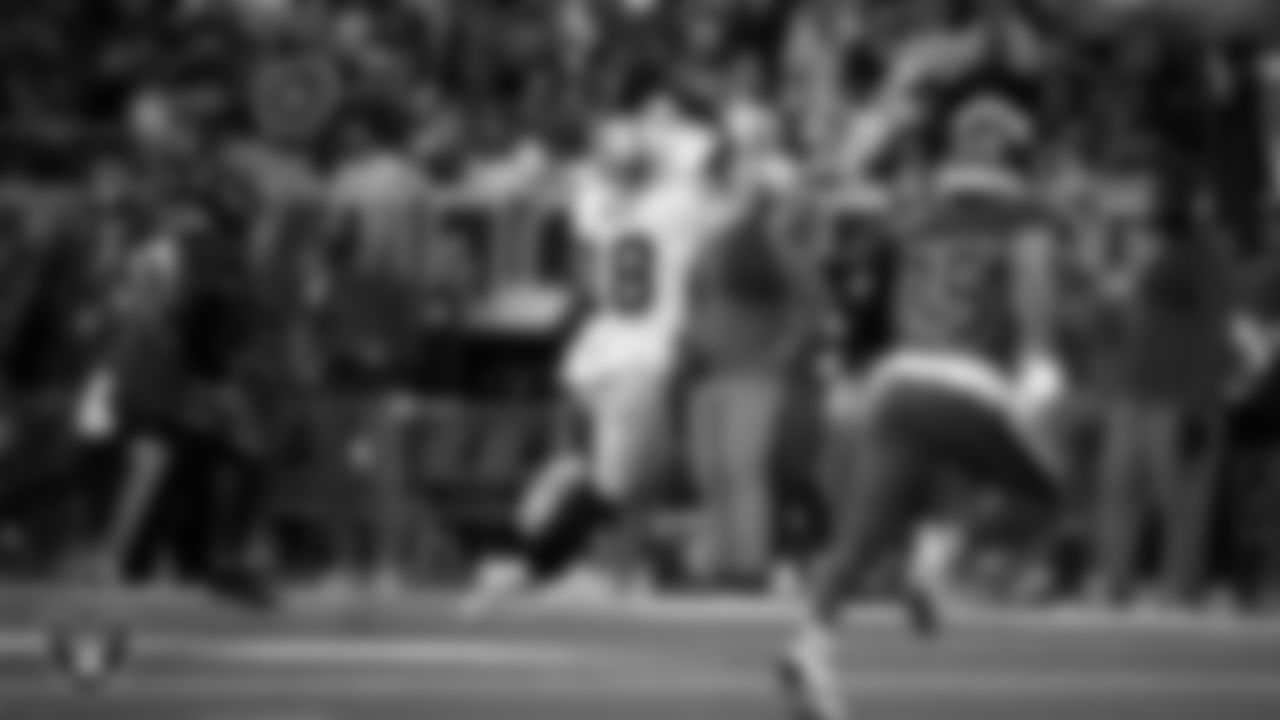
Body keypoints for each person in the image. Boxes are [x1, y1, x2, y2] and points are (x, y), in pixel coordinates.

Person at [777, 94, 1068, 720]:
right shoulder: (1025, 217)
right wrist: (1042, 361)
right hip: (969, 381)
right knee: (1043, 494)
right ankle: (940, 557)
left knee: (861, 534)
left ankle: (811, 646)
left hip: (899, 382)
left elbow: (858, 270)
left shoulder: (918, 216)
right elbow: (1033, 289)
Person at [460, 94, 730, 614]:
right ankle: (525, 563)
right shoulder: (680, 203)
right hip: (639, 356)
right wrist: (666, 136)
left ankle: (601, 566)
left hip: (598, 353)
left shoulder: (596, 201)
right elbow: (708, 169)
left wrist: (615, 151)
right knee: (614, 482)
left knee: (628, 474)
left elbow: (583, 183)